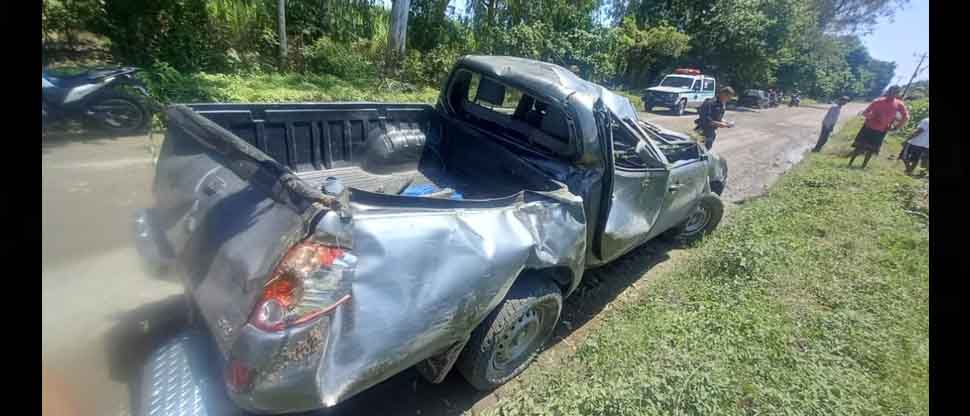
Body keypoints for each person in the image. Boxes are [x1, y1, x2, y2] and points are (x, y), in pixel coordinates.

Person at [848, 86, 909, 168]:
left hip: (881, 130)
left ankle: (863, 166)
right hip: (868, 127)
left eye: (895, 92)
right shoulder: (877, 101)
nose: (892, 93)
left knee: (871, 149)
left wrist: (896, 127)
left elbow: (906, 117)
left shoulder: (899, 104)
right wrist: (870, 116)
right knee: (859, 146)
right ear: (888, 91)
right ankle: (850, 163)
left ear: (897, 94)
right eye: (891, 91)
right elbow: (865, 112)